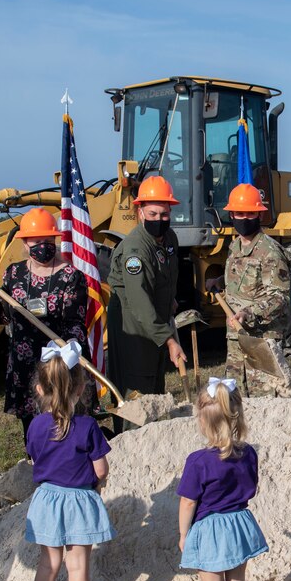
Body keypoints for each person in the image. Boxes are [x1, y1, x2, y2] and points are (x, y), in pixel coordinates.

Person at [0, 207, 90, 441]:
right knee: (33, 429)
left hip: (57, 364)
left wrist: (70, 352)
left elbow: (75, 322)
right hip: (24, 364)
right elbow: (1, 314)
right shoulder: (14, 274)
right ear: (25, 243)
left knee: (63, 424)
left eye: (48, 240)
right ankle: (36, 464)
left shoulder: (71, 276)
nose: (42, 246)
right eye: (36, 241)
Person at [25, 341, 117, 581]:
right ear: (80, 390)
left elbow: (36, 457)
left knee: (47, 563)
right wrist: (97, 482)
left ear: (40, 389)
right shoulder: (88, 426)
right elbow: (101, 469)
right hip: (77, 500)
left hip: (47, 499)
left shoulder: (35, 427)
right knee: (77, 565)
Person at [174, 377, 268, 581]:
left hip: (211, 529)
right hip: (238, 523)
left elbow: (188, 501)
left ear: (203, 422)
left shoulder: (198, 461)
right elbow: (252, 485)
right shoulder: (248, 453)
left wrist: (183, 534)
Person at [106, 176, 187, 433]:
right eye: (152, 213)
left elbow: (167, 277)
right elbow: (139, 301)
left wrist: (170, 299)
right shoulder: (135, 250)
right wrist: (170, 340)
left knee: (154, 382)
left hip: (154, 323)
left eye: (164, 214)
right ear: (140, 212)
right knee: (137, 390)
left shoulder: (170, 239)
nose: (159, 220)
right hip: (134, 326)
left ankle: (152, 437)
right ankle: (131, 440)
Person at [205, 183, 291, 397]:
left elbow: (280, 298)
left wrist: (249, 313)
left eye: (250, 213)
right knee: (237, 398)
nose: (244, 218)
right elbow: (243, 280)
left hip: (261, 339)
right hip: (236, 337)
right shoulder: (235, 247)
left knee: (264, 401)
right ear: (231, 215)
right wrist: (219, 282)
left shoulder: (269, 251)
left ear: (259, 215)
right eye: (239, 213)